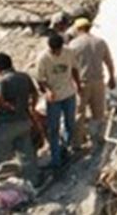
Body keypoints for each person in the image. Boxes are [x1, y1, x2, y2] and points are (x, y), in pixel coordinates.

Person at [0, 53, 39, 184]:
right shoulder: (24, 76)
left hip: (7, 123)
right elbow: (34, 93)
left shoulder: (2, 81)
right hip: (24, 120)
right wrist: (32, 108)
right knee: (26, 152)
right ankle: (33, 179)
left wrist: (8, 106)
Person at [67, 17, 116, 148]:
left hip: (81, 84)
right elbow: (109, 61)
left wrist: (73, 84)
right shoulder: (100, 42)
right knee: (98, 113)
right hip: (99, 81)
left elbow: (70, 67)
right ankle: (97, 139)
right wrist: (112, 77)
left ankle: (77, 143)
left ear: (78, 29)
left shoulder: (73, 45)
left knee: (79, 114)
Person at [35, 33, 80, 168]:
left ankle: (65, 149)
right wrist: (47, 91)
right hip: (54, 98)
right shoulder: (43, 58)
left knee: (70, 124)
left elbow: (74, 68)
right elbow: (40, 79)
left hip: (69, 93)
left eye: (58, 50)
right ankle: (56, 160)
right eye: (53, 51)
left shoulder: (69, 52)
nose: (56, 53)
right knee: (53, 129)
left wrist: (78, 84)